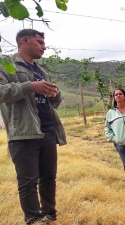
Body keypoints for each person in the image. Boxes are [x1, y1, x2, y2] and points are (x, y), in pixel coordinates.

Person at [0, 29, 66, 225]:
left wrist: (56, 94)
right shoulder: (6, 65)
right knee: (28, 182)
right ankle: (34, 220)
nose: (44, 46)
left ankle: (49, 216)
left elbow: (49, 102)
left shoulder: (41, 70)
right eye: (40, 42)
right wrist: (31, 86)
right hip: (23, 133)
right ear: (25, 41)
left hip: (47, 130)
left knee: (49, 179)